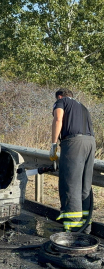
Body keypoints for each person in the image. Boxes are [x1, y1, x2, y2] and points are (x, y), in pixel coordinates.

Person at [50, 88, 96, 234]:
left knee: (70, 183)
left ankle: (71, 226)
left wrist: (53, 144)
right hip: (90, 143)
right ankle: (85, 227)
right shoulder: (82, 107)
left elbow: (58, 119)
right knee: (85, 185)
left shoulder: (61, 101)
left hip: (74, 143)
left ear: (60, 96)